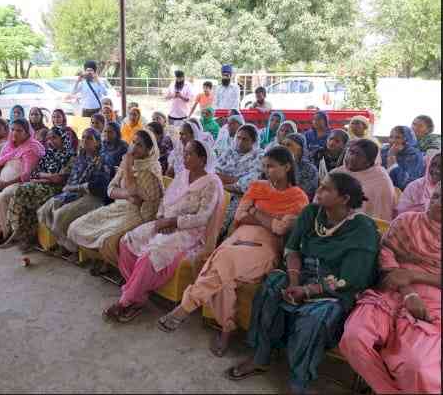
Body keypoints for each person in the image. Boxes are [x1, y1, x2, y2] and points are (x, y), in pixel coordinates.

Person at [225, 173, 379, 394]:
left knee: (313, 318)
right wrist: (295, 281)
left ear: (344, 199)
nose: (318, 191)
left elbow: (352, 278)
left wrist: (307, 291)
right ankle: (262, 357)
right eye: (320, 186)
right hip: (302, 273)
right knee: (271, 287)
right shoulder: (311, 213)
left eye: (326, 189)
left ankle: (299, 381)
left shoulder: (362, 228)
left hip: (336, 289)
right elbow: (292, 249)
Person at [158, 146, 309, 356]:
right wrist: (267, 218)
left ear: (287, 167)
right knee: (225, 275)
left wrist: (255, 211)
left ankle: (187, 306)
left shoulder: (299, 197)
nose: (267, 171)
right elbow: (240, 215)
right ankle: (226, 329)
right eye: (264, 166)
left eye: (272, 166)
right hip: (239, 237)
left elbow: (281, 229)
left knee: (223, 259)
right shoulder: (257, 186)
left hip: (266, 246)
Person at [102, 139, 226, 323]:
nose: (184, 156)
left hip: (189, 232)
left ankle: (127, 301)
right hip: (164, 221)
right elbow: (165, 200)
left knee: (151, 256)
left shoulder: (211, 184)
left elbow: (203, 217)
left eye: (190, 153)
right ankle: (138, 293)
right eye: (184, 152)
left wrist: (174, 221)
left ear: (202, 159)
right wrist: (161, 219)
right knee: (127, 242)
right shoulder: (183, 175)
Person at [340, 185, 441, 394]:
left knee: (418, 366)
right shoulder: (407, 221)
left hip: (433, 302)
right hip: (391, 290)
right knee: (354, 338)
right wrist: (408, 291)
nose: (437, 202)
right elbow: (386, 253)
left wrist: (414, 276)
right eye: (437, 195)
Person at [68, 129, 165, 273]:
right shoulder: (128, 161)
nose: (134, 148)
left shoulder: (151, 169)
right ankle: (104, 260)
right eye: (133, 142)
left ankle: (122, 270)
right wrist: (127, 195)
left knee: (107, 240)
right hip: (121, 206)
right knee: (76, 227)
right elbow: (111, 189)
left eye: (140, 145)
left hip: (142, 215)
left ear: (149, 149)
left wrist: (127, 167)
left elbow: (136, 193)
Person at [37, 128, 111, 262]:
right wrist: (70, 190)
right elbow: (73, 177)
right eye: (83, 137)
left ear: (97, 142)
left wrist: (74, 188)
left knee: (60, 215)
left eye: (89, 138)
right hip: (74, 192)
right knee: (45, 210)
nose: (85, 141)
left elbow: (99, 187)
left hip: (94, 197)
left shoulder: (103, 160)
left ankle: (73, 249)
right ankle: (62, 242)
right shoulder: (81, 157)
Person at [0, 119, 45, 251]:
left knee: (3, 198)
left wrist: (5, 184)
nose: (15, 133)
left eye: (19, 130)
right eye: (13, 129)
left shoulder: (32, 147)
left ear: (27, 132)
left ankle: (6, 234)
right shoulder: (8, 145)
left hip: (19, 183)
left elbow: (26, 175)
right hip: (0, 180)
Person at [4, 126, 77, 250]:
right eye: (48, 138)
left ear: (63, 138)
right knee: (24, 195)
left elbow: (59, 179)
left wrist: (43, 176)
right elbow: (34, 173)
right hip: (43, 185)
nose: (50, 141)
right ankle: (25, 236)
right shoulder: (48, 154)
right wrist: (47, 176)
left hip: (58, 189)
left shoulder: (71, 156)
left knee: (23, 193)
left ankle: (24, 236)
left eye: (54, 138)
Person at [332, 139, 397, 221]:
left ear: (369, 161)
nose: (351, 157)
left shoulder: (381, 181)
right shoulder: (337, 172)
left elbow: (381, 216)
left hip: (364, 227)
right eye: (351, 152)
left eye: (358, 155)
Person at [215, 124, 263, 235]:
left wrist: (223, 183)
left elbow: (246, 185)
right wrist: (236, 179)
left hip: (240, 197)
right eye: (239, 138)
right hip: (219, 190)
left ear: (253, 141)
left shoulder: (259, 156)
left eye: (245, 139)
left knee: (219, 223)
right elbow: (214, 172)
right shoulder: (230, 152)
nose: (240, 142)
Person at [381, 126, 426, 191]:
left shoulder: (414, 155)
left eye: (398, 137)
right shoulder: (384, 151)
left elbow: (404, 183)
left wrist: (392, 157)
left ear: (407, 139)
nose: (393, 140)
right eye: (391, 137)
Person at [396, 151, 441, 216]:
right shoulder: (416, 186)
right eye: (433, 165)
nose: (436, 170)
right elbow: (401, 211)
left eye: (440, 167)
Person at [283, 133, 319, 201]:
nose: (284, 148)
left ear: (300, 148)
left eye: (288, 145)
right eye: (283, 145)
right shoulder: (279, 165)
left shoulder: (310, 169)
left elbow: (306, 192)